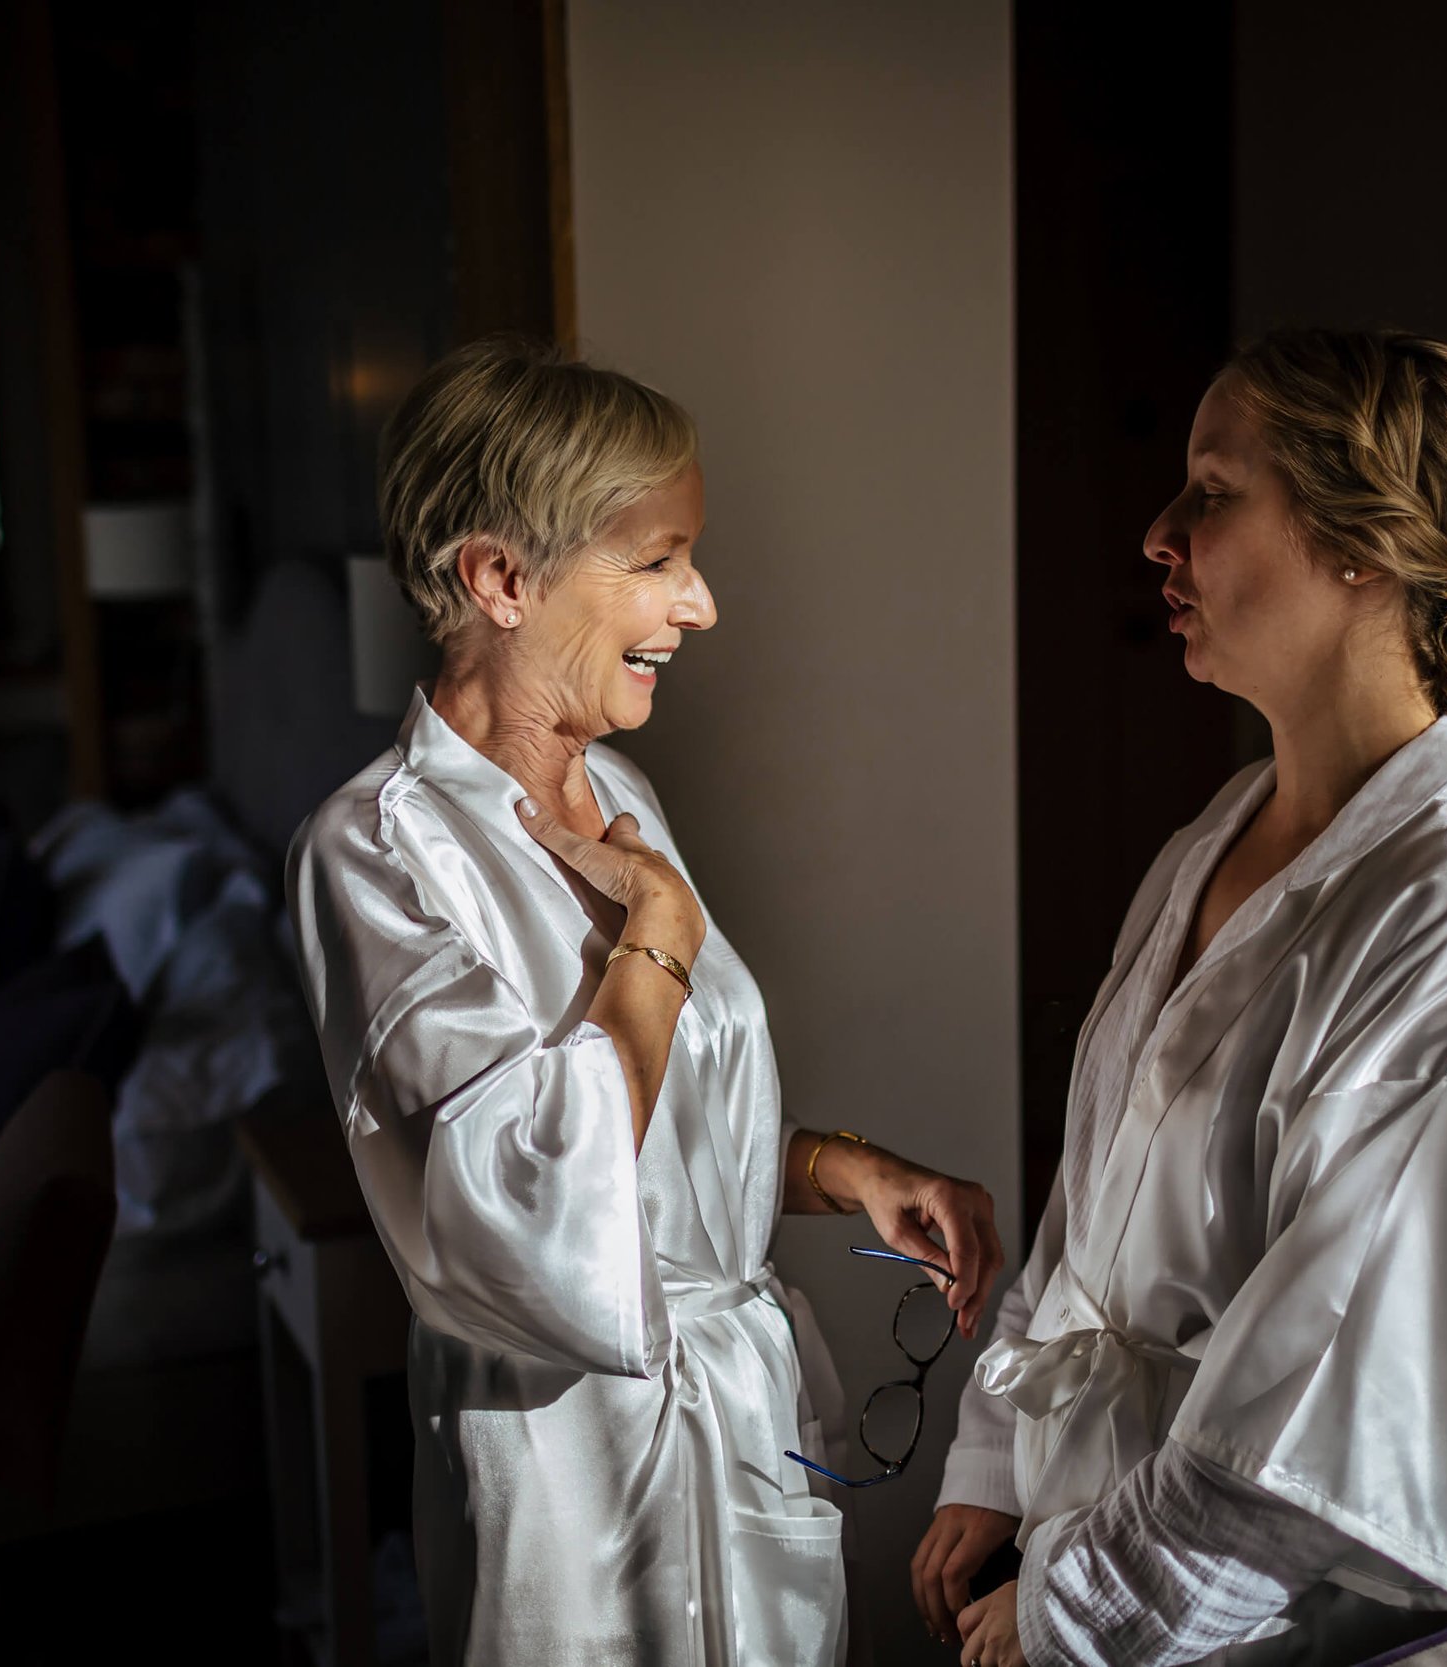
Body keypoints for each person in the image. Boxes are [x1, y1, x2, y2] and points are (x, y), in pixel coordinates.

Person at [289, 338, 1003, 1665]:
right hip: (569, 1489)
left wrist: (845, 1173)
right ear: (500, 577)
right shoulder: (378, 853)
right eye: (658, 558)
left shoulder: (622, 799)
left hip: (735, 1432)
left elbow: (659, 1126)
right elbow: (537, 1195)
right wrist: (661, 934)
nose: (704, 603)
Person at [918, 329, 1447, 1667]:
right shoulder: (1222, 835)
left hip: (1241, 1629)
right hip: (1075, 1532)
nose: (1159, 535)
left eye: (1214, 493)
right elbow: (1091, 1215)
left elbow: (1322, 1420)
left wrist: (1065, 1614)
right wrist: (996, 1459)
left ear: (1365, 546)